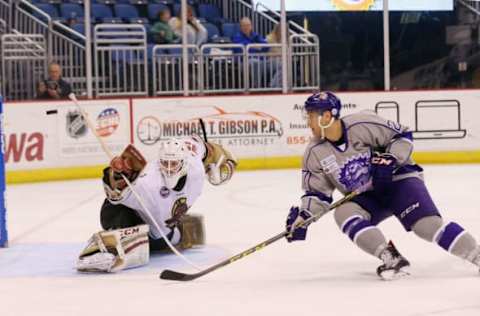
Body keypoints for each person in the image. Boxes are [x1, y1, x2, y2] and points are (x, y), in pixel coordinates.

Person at [285, 91, 480, 280]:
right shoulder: (314, 152)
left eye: (310, 116)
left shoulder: (361, 124)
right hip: (366, 196)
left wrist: (390, 157)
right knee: (343, 213)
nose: (308, 122)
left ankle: (476, 254)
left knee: (426, 227)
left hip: (398, 181)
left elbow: (402, 134)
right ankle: (391, 257)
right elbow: (317, 193)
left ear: (326, 116)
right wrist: (305, 216)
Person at [76, 135, 237, 272]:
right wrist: (116, 177)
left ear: (184, 162)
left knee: (165, 238)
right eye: (164, 163)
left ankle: (181, 229)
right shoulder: (147, 181)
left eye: (173, 164)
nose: (168, 169)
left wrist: (224, 161)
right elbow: (114, 196)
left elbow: (204, 147)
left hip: (159, 230)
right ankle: (107, 246)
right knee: (138, 238)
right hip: (125, 213)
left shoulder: (195, 165)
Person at [232, 17, 269, 88]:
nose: (246, 27)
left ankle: (273, 86)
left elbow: (266, 46)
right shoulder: (237, 36)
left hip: (261, 60)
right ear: (241, 27)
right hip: (244, 61)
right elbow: (242, 48)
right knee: (256, 62)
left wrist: (254, 47)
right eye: (244, 25)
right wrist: (256, 47)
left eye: (248, 25)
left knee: (279, 64)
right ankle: (256, 87)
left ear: (251, 26)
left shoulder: (256, 35)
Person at [266, 24, 283, 88]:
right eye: (280, 30)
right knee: (283, 65)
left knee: (285, 65)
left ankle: (277, 85)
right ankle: (272, 85)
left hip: (281, 61)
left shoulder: (285, 39)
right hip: (269, 61)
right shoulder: (269, 38)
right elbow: (265, 53)